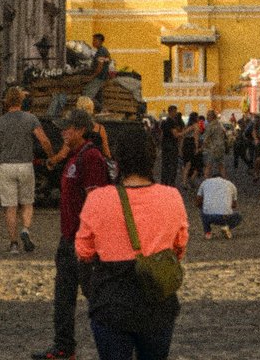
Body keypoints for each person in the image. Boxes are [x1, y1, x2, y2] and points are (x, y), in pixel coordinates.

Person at [75, 126, 188, 360]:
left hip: (111, 299)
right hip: (157, 298)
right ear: (152, 158)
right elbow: (180, 246)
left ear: (118, 159)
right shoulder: (171, 197)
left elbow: (83, 250)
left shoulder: (98, 199)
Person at [32, 108, 110, 360]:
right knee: (63, 296)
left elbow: (95, 200)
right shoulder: (74, 156)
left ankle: (115, 345)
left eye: (67, 128)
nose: (63, 132)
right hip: (68, 238)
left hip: (82, 241)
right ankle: (64, 346)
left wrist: (90, 241)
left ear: (80, 130)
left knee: (96, 296)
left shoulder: (91, 158)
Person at [0, 86, 54, 254]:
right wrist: (51, 157)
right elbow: (44, 140)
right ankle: (26, 230)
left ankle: (14, 244)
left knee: (10, 207)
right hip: (25, 166)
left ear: (6, 102)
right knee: (27, 203)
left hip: (6, 167)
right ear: (21, 101)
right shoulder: (31, 119)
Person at [196, 162, 242, 239]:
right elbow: (234, 205)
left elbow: (197, 201)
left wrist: (204, 205)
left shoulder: (205, 183)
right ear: (222, 178)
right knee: (238, 216)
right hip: (225, 216)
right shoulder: (230, 184)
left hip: (208, 216)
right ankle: (226, 227)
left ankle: (208, 233)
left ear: (212, 178)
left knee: (202, 211)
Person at [159, 106, 184, 188]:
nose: (176, 113)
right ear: (171, 112)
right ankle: (171, 184)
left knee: (165, 165)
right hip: (172, 146)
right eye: (175, 112)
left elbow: (161, 135)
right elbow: (176, 135)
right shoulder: (171, 122)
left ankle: (164, 182)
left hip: (165, 146)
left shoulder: (164, 122)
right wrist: (186, 131)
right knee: (172, 165)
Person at [84, 33, 112, 104]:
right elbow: (108, 60)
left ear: (100, 41)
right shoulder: (103, 50)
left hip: (99, 77)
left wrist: (92, 77)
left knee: (87, 94)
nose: (93, 42)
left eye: (94, 40)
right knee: (98, 95)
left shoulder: (101, 51)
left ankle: (87, 111)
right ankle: (100, 109)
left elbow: (100, 67)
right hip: (102, 76)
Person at [201, 110, 227, 177]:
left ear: (212, 116)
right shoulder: (220, 124)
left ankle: (205, 182)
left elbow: (205, 139)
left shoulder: (210, 126)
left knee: (208, 165)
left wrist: (202, 148)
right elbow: (225, 134)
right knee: (221, 165)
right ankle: (224, 181)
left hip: (213, 148)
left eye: (208, 115)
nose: (207, 117)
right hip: (221, 147)